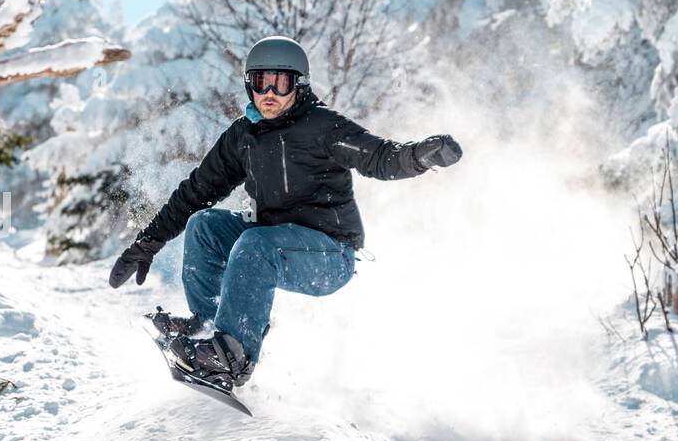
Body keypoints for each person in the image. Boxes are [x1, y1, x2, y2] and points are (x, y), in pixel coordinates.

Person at [108, 35, 462, 391]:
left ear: (299, 84)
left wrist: (417, 156)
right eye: (261, 82)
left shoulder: (323, 127)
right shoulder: (244, 136)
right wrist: (147, 243)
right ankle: (212, 329)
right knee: (204, 227)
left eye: (281, 82)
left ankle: (232, 358)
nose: (270, 94)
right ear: (250, 85)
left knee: (255, 244)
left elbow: (378, 157)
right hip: (272, 241)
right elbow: (195, 191)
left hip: (330, 253)